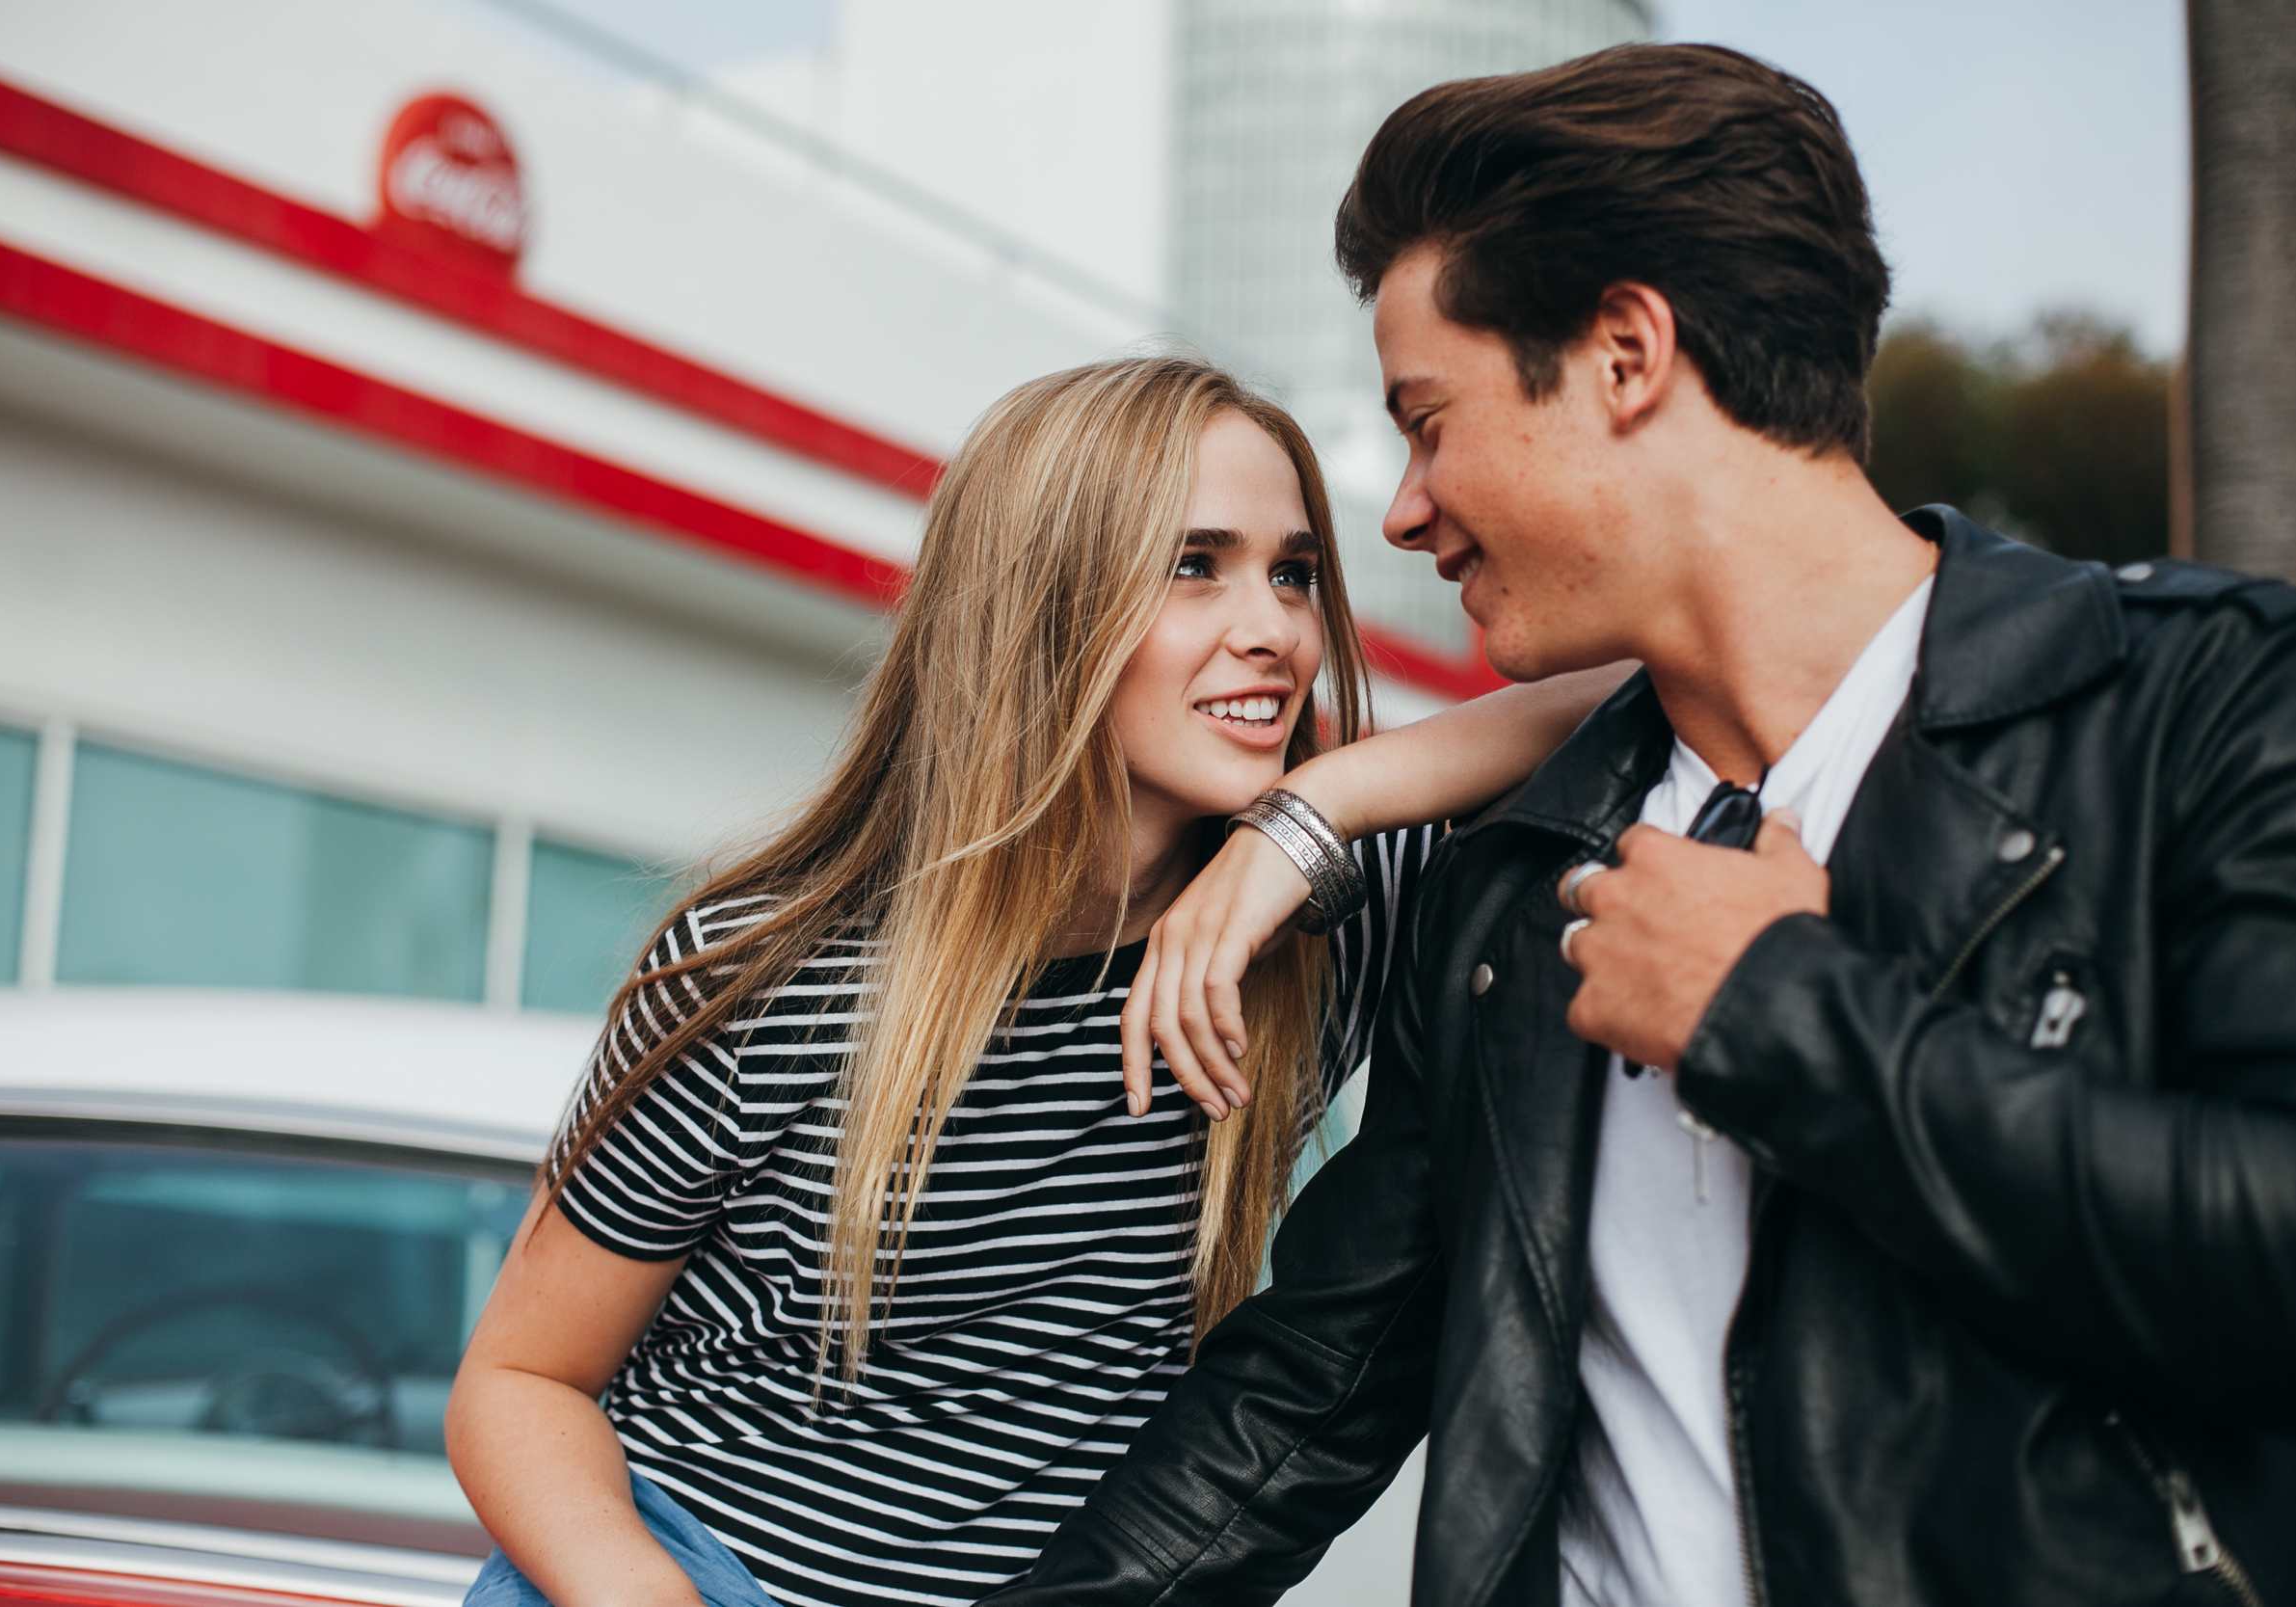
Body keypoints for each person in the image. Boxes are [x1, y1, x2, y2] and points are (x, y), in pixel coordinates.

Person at [988, 42, 2296, 1607]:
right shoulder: (1511, 873)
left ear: (1627, 352)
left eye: (1429, 420)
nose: (1407, 508)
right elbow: (1307, 1393)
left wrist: (1783, 1015)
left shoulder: (2211, 705)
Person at [442, 355, 1621, 1607]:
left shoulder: (1317, 919)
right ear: (1041, 606)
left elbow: (1645, 684)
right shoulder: (771, 975)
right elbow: (517, 1385)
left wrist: (1323, 803)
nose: (1275, 630)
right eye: (1193, 564)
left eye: (1292, 572)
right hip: (691, 1570)